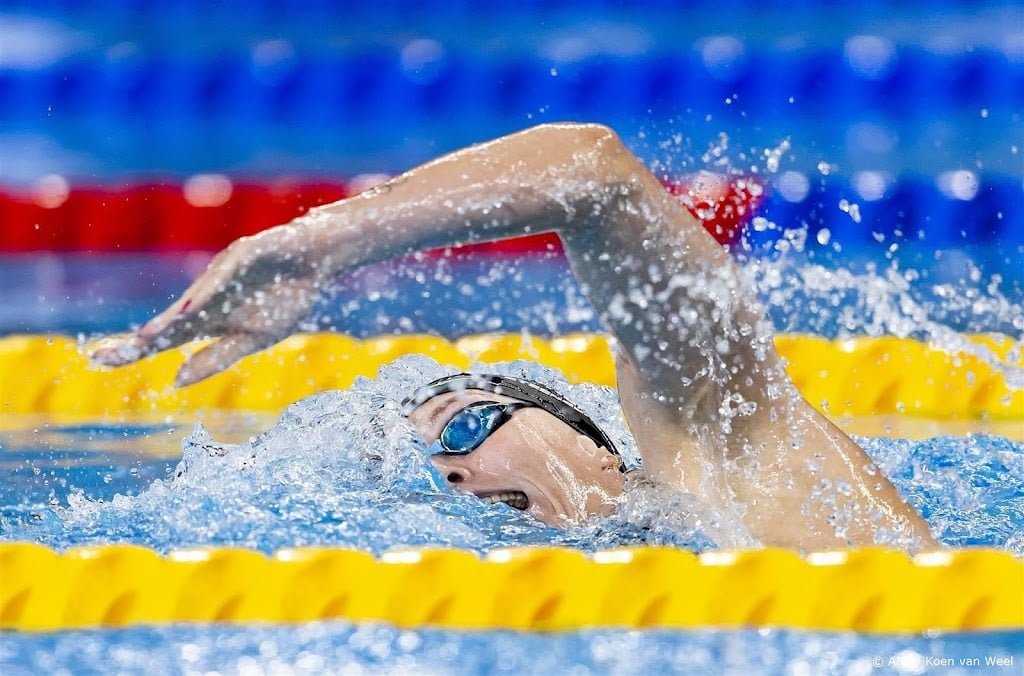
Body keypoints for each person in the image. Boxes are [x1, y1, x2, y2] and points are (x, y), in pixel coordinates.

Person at [92, 123, 935, 550]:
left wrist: (314, 247)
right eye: (430, 471)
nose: (451, 474)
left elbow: (594, 172)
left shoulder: (730, 456)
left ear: (593, 441)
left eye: (461, 426)